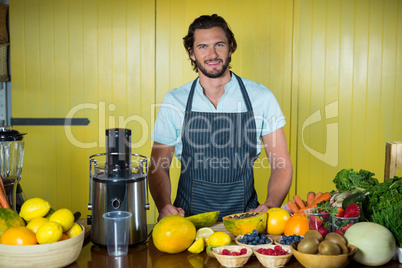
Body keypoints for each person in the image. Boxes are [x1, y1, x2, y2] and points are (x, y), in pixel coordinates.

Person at [149, 14, 292, 221]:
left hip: (246, 221)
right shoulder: (174, 100)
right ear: (191, 53)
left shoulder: (261, 98)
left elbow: (281, 163)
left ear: (231, 47)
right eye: (203, 47)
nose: (212, 54)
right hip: (187, 223)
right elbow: (158, 165)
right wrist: (164, 206)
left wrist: (271, 205)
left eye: (219, 44)